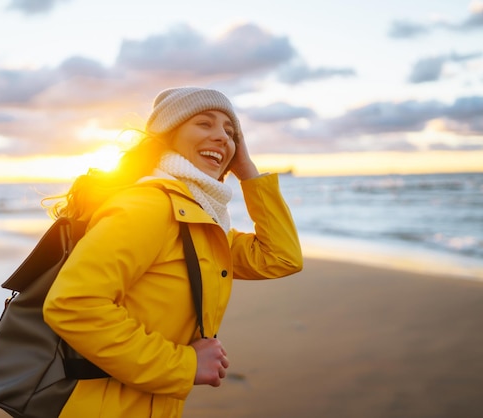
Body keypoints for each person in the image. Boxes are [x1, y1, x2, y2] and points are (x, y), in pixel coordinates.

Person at [42, 86, 303, 417]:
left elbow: (280, 257)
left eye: (230, 131)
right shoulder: (148, 207)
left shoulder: (201, 221)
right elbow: (72, 305)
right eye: (204, 123)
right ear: (168, 135)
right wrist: (185, 365)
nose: (222, 137)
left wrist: (247, 169)